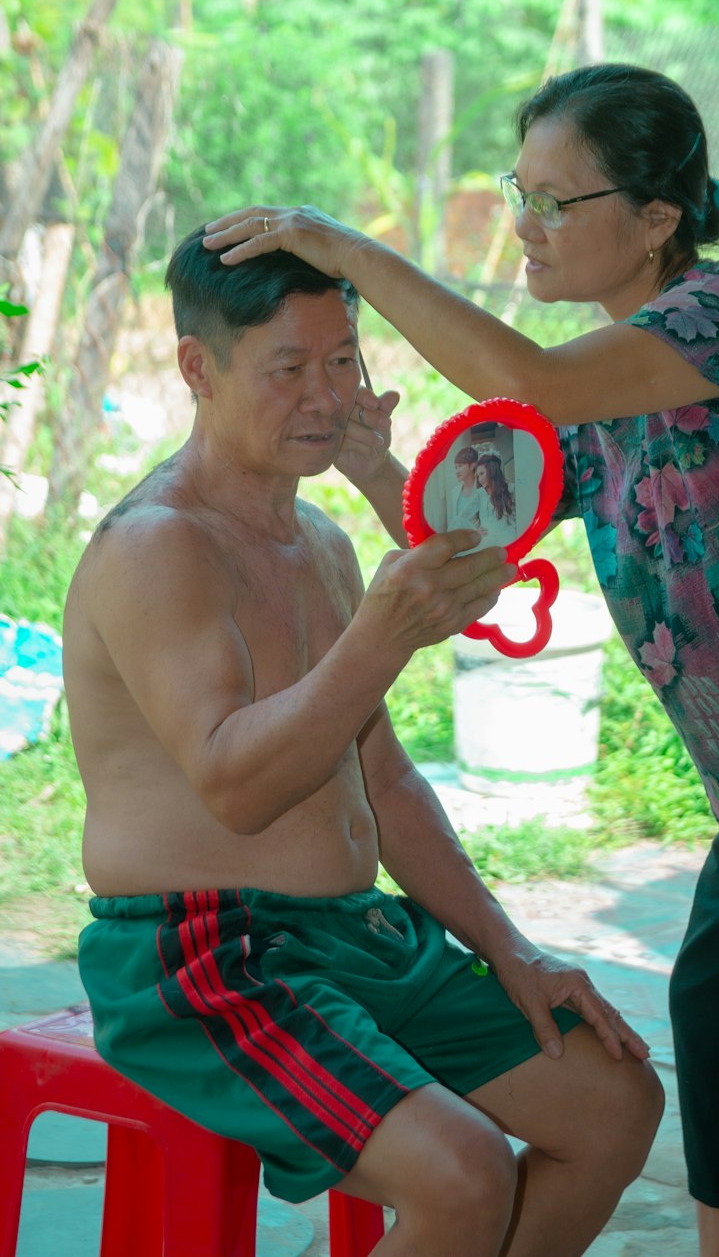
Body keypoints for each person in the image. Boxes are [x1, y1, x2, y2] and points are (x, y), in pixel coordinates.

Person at [203, 61, 719, 1257]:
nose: (523, 226)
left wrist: (351, 251)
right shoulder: (603, 395)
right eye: (515, 192)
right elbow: (474, 550)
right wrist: (377, 462)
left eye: (553, 202)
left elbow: (520, 376)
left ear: (657, 219)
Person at [62, 224, 664, 1257]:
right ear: (196, 367)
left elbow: (378, 776)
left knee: (614, 1100)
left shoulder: (324, 542)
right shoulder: (158, 547)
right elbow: (237, 788)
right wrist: (381, 637)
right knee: (462, 1170)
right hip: (205, 954)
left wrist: (509, 949)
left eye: (341, 360)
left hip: (351, 938)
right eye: (287, 368)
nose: (324, 395)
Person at [475, 451, 517, 546]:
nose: (479, 479)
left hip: (504, 537)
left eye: (482, 474)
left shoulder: (510, 489)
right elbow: (464, 517)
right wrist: (475, 530)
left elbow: (515, 515)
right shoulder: (479, 494)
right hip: (485, 540)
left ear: (492, 471)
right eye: (478, 476)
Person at [447, 443, 488, 533]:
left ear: (472, 465)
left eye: (460, 466)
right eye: (456, 467)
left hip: (479, 540)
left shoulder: (482, 489)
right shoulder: (454, 492)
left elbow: (487, 519)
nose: (457, 471)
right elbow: (452, 521)